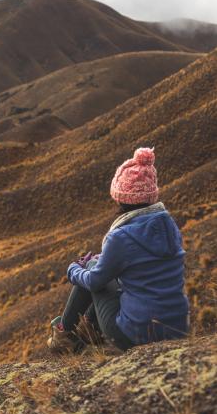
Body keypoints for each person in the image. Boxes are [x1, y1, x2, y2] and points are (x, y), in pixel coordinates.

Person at [47, 147, 189, 353]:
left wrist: (73, 269)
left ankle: (63, 335)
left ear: (121, 197)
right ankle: (82, 332)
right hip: (177, 330)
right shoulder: (169, 225)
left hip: (137, 336)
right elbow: (143, 265)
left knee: (92, 267)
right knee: (99, 266)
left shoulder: (120, 236)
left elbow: (95, 281)